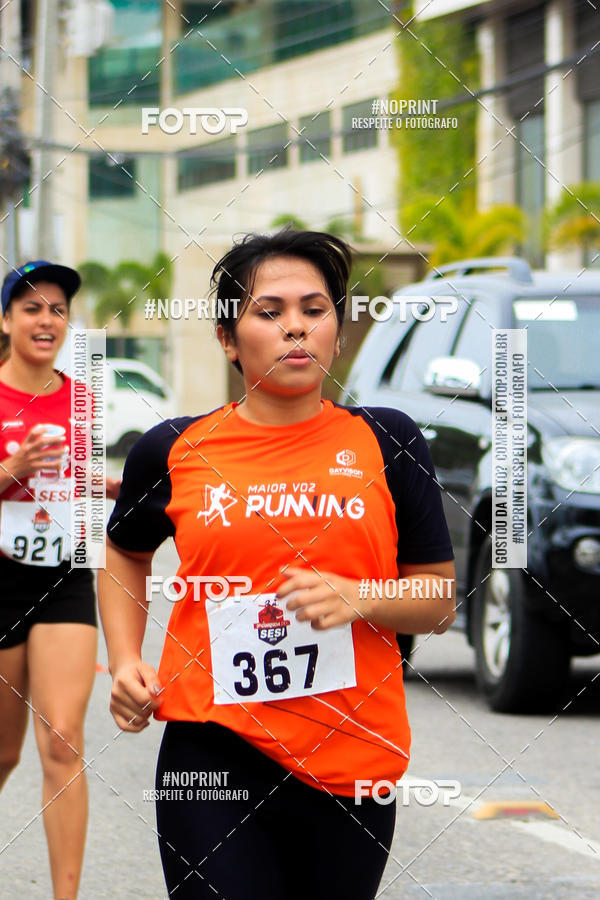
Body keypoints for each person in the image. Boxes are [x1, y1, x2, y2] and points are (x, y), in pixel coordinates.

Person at [99, 230, 456, 899]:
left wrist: (360, 597)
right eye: (270, 312)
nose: (295, 326)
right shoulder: (174, 448)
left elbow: (436, 601)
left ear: (338, 333)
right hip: (213, 748)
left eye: (314, 310)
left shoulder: (389, 440)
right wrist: (124, 659)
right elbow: (124, 549)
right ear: (229, 340)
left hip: (352, 757)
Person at [0, 260, 120, 900]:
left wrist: (113, 486)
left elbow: (79, 485)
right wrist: (13, 464)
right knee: (3, 756)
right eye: (31, 308)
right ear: (6, 320)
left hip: (65, 577)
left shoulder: (83, 399)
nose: (47, 320)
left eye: (57, 310)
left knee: (63, 743)